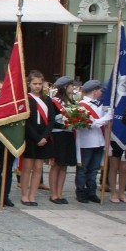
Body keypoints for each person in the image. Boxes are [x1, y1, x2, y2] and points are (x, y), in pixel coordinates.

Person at [20, 70, 55, 206]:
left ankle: (32, 195)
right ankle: (24, 195)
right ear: (29, 84)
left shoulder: (47, 100)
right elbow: (26, 121)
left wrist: (44, 136)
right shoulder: (26, 99)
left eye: (40, 83)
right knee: (27, 167)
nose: (37, 86)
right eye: (34, 83)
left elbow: (51, 120)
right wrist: (36, 138)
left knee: (39, 168)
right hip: (31, 137)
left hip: (44, 137)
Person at [76, 80, 112, 203]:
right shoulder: (81, 105)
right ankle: (80, 191)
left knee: (94, 169)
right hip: (86, 142)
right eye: (100, 90)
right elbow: (89, 123)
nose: (102, 92)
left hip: (99, 141)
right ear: (95, 91)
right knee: (83, 168)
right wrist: (106, 118)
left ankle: (91, 191)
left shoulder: (100, 105)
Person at [49, 76, 76, 204]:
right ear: (65, 87)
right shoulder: (54, 102)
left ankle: (60, 193)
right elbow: (51, 121)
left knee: (64, 165)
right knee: (56, 164)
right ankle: (53, 194)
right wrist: (64, 125)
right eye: (71, 85)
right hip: (58, 135)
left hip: (68, 135)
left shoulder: (72, 102)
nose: (73, 88)